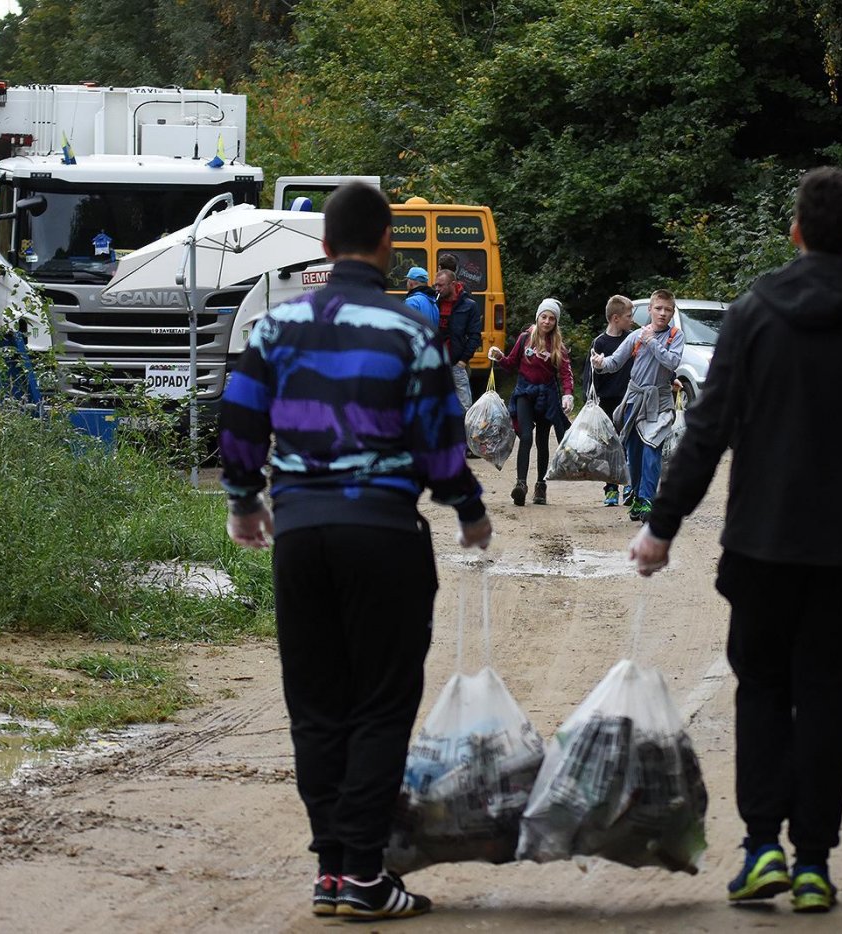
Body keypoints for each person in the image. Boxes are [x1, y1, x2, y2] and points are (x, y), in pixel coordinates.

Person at [628, 166, 842, 915]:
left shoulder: (754, 313)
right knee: (826, 694)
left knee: (764, 689)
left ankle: (760, 853)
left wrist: (662, 527)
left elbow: (709, 427)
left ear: (794, 233)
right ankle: (812, 862)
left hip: (759, 544)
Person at [219, 181, 492, 922]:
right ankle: (366, 874)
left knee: (316, 705)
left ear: (324, 245)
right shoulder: (410, 330)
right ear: (385, 244)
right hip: (382, 535)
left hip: (300, 534)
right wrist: (468, 510)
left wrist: (245, 501)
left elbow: (239, 415)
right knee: (379, 703)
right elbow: (440, 438)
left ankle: (332, 870)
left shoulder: (277, 327)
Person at [590, 289, 686, 522]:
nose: (663, 313)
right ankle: (634, 493)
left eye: (668, 310)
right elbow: (615, 363)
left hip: (660, 401)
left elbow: (672, 361)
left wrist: (652, 342)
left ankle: (646, 501)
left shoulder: (675, 336)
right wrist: (600, 362)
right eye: (658, 308)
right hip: (634, 401)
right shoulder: (635, 336)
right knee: (633, 453)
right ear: (650, 310)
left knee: (652, 450)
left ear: (673, 312)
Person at [487, 298, 574, 505]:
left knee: (542, 442)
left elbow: (565, 373)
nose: (547, 322)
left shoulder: (557, 345)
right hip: (525, 393)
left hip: (547, 397)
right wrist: (499, 357)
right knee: (525, 437)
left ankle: (540, 486)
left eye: (552, 319)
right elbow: (511, 364)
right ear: (538, 317)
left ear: (556, 322)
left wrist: (568, 394)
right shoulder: (526, 338)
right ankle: (520, 484)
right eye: (544, 317)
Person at [586, 294, 637, 506]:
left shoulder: (633, 338)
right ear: (615, 318)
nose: (631, 319)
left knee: (627, 445)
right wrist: (589, 400)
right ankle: (610, 489)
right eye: (628, 316)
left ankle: (629, 487)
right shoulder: (600, 342)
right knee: (609, 446)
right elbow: (590, 375)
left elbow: (645, 362)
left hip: (629, 399)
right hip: (606, 400)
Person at [434, 267, 483, 409]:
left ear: (453, 284)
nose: (437, 289)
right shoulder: (435, 302)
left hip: (457, 362)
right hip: (437, 363)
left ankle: (464, 431)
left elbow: (475, 335)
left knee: (464, 407)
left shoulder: (469, 305)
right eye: (435, 285)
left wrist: (463, 360)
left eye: (441, 285)